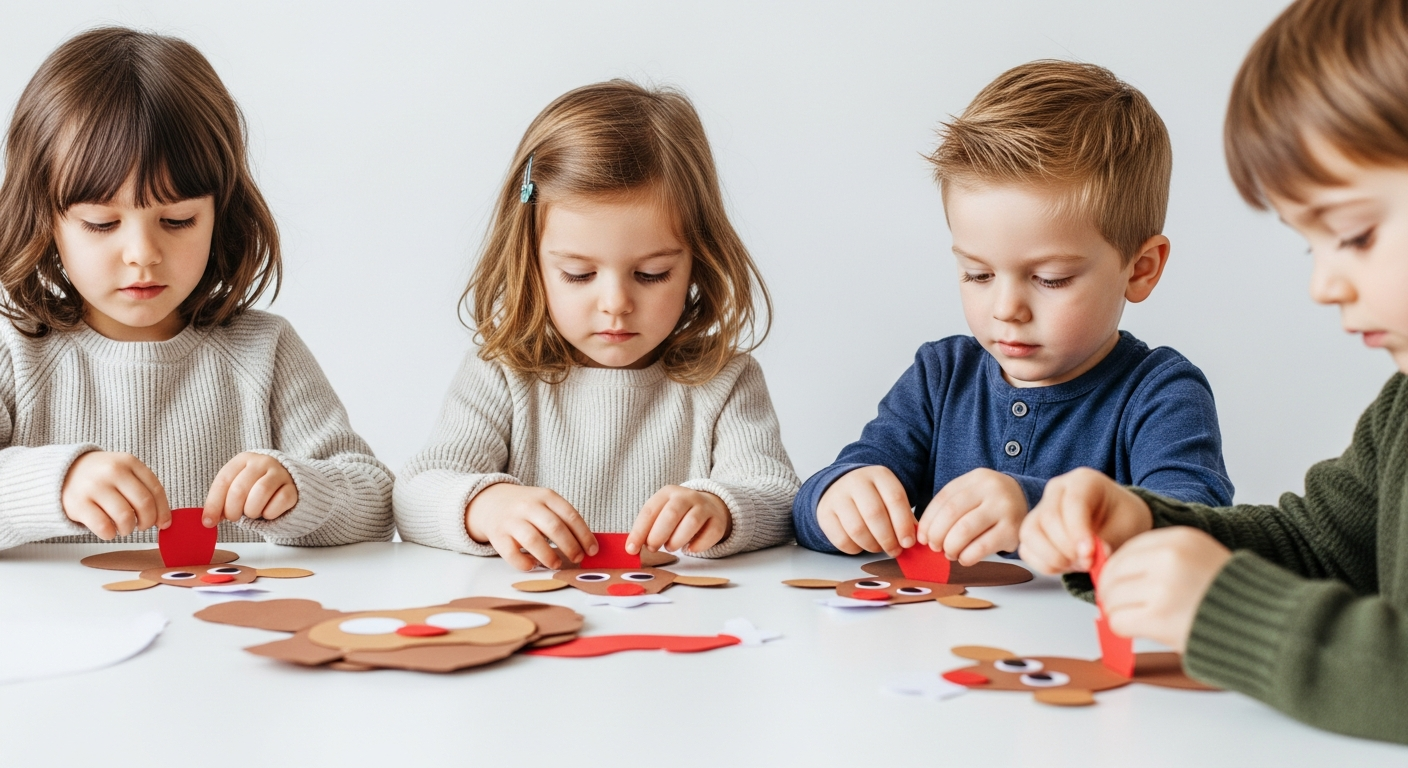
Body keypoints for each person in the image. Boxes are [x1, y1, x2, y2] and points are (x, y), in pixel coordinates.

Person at [1020, 0, 1408, 743]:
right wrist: (1144, 525)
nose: (1324, 284)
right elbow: (1318, 549)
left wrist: (1222, 608)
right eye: (1311, 247)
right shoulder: (1402, 409)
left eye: (1354, 235)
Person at [794, 60, 1233, 563]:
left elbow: (1201, 531)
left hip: (1080, 643)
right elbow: (812, 509)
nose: (1006, 310)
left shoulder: (1161, 393)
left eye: (1050, 279)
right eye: (978, 275)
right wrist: (840, 495)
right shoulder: (940, 378)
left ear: (1140, 269)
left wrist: (1032, 509)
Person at [0, 28, 393, 549]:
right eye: (101, 223)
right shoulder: (15, 352)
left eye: (178, 219)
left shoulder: (263, 351)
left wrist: (301, 491)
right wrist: (55, 484)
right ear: (44, 219)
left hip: (231, 628)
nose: (143, 253)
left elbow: (374, 503)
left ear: (220, 213)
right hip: (66, 632)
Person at [394, 80, 797, 570]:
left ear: (698, 259)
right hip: (533, 622)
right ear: (532, 262)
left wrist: (720, 509)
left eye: (652, 274)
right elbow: (413, 497)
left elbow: (778, 498)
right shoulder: (501, 374)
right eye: (579, 274)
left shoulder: (725, 379)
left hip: (677, 625)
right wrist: (488, 506)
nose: (616, 304)